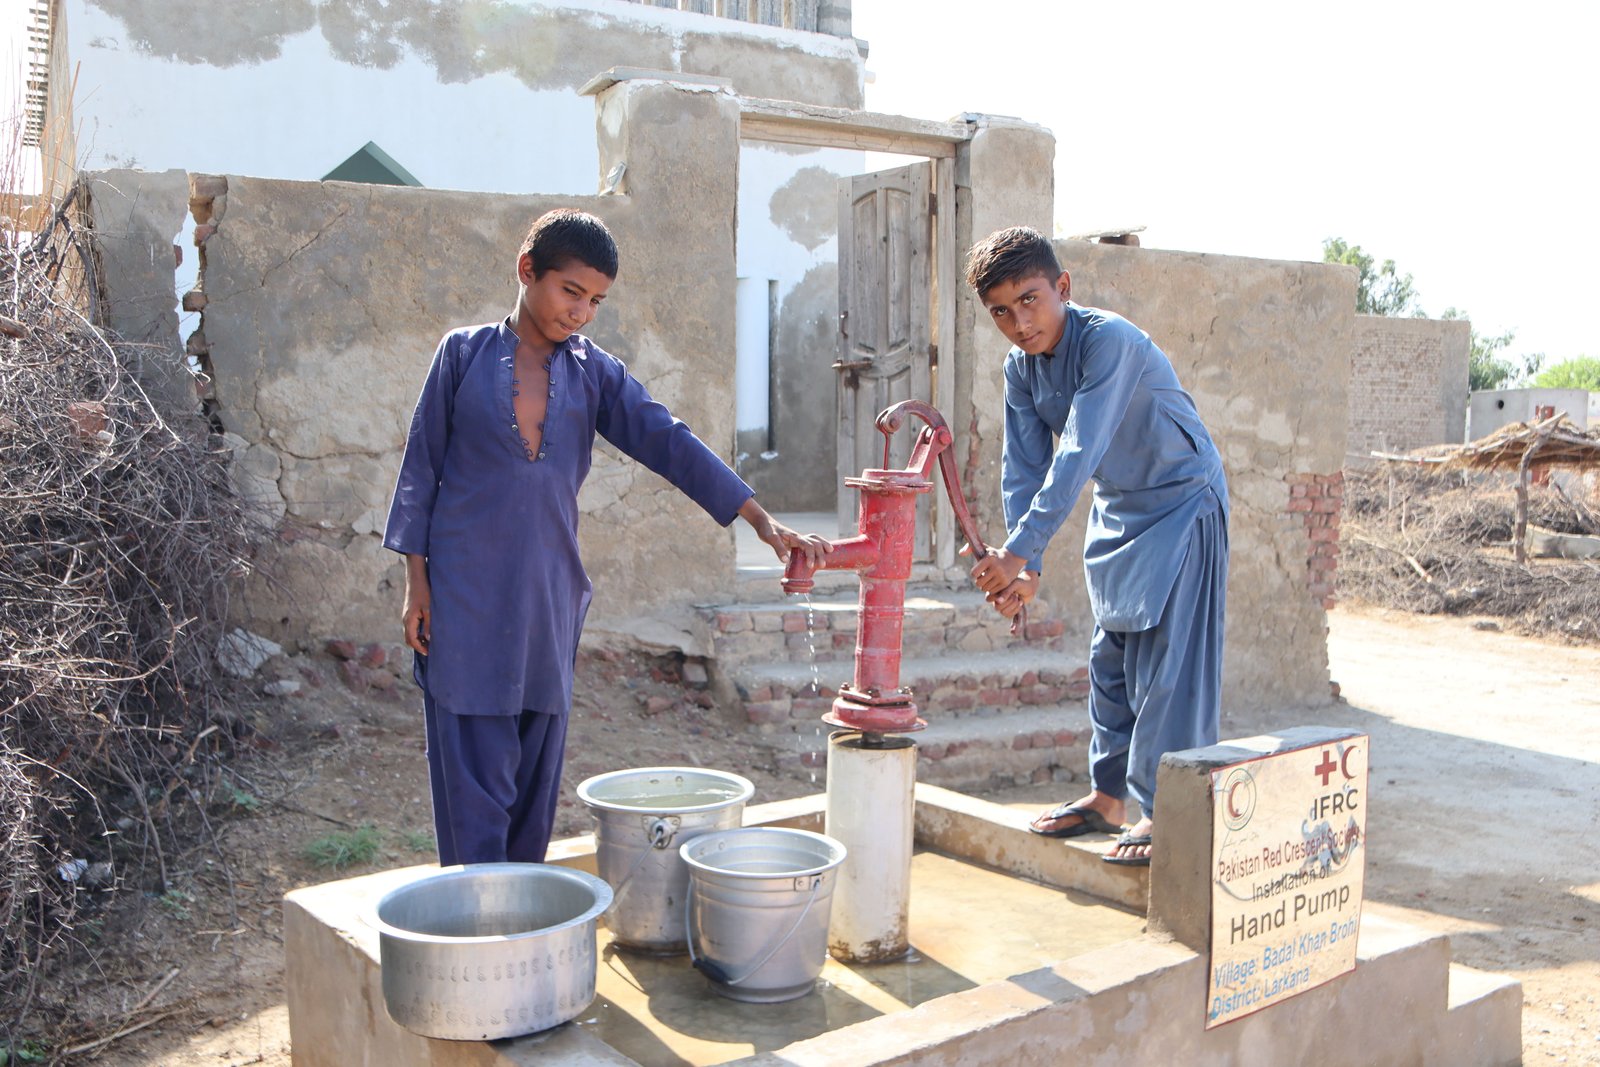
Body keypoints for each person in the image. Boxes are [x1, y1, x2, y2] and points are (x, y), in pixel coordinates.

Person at [383, 208, 828, 866]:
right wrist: (416, 584)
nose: (582, 313)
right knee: (470, 763)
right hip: (464, 591)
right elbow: (421, 470)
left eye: (596, 301)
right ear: (527, 270)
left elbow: (668, 439)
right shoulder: (462, 355)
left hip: (549, 595)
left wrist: (759, 519)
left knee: (534, 772)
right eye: (571, 292)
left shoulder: (594, 373)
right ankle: (473, 914)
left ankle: (527, 911)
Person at [963, 226, 1228, 866]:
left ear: (1063, 287)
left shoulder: (1109, 341)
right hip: (1119, 510)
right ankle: (1108, 797)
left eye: (1030, 300)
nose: (1019, 322)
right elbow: (1024, 467)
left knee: (1170, 670)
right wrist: (1025, 567)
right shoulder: (1020, 369)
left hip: (1180, 501)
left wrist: (1021, 553)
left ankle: (1168, 815)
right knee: (1110, 661)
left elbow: (1078, 450)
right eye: (1001, 310)